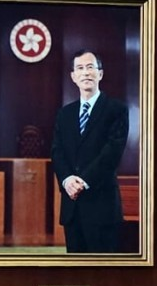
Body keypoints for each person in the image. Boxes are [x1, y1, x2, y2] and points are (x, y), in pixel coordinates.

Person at [50, 50, 129, 253]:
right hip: (72, 206)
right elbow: (57, 151)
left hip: (102, 207)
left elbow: (112, 152)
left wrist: (83, 181)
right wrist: (67, 180)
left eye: (90, 67)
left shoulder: (116, 109)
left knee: (103, 269)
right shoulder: (64, 114)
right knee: (76, 268)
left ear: (100, 74)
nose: (85, 72)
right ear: (73, 76)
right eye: (80, 68)